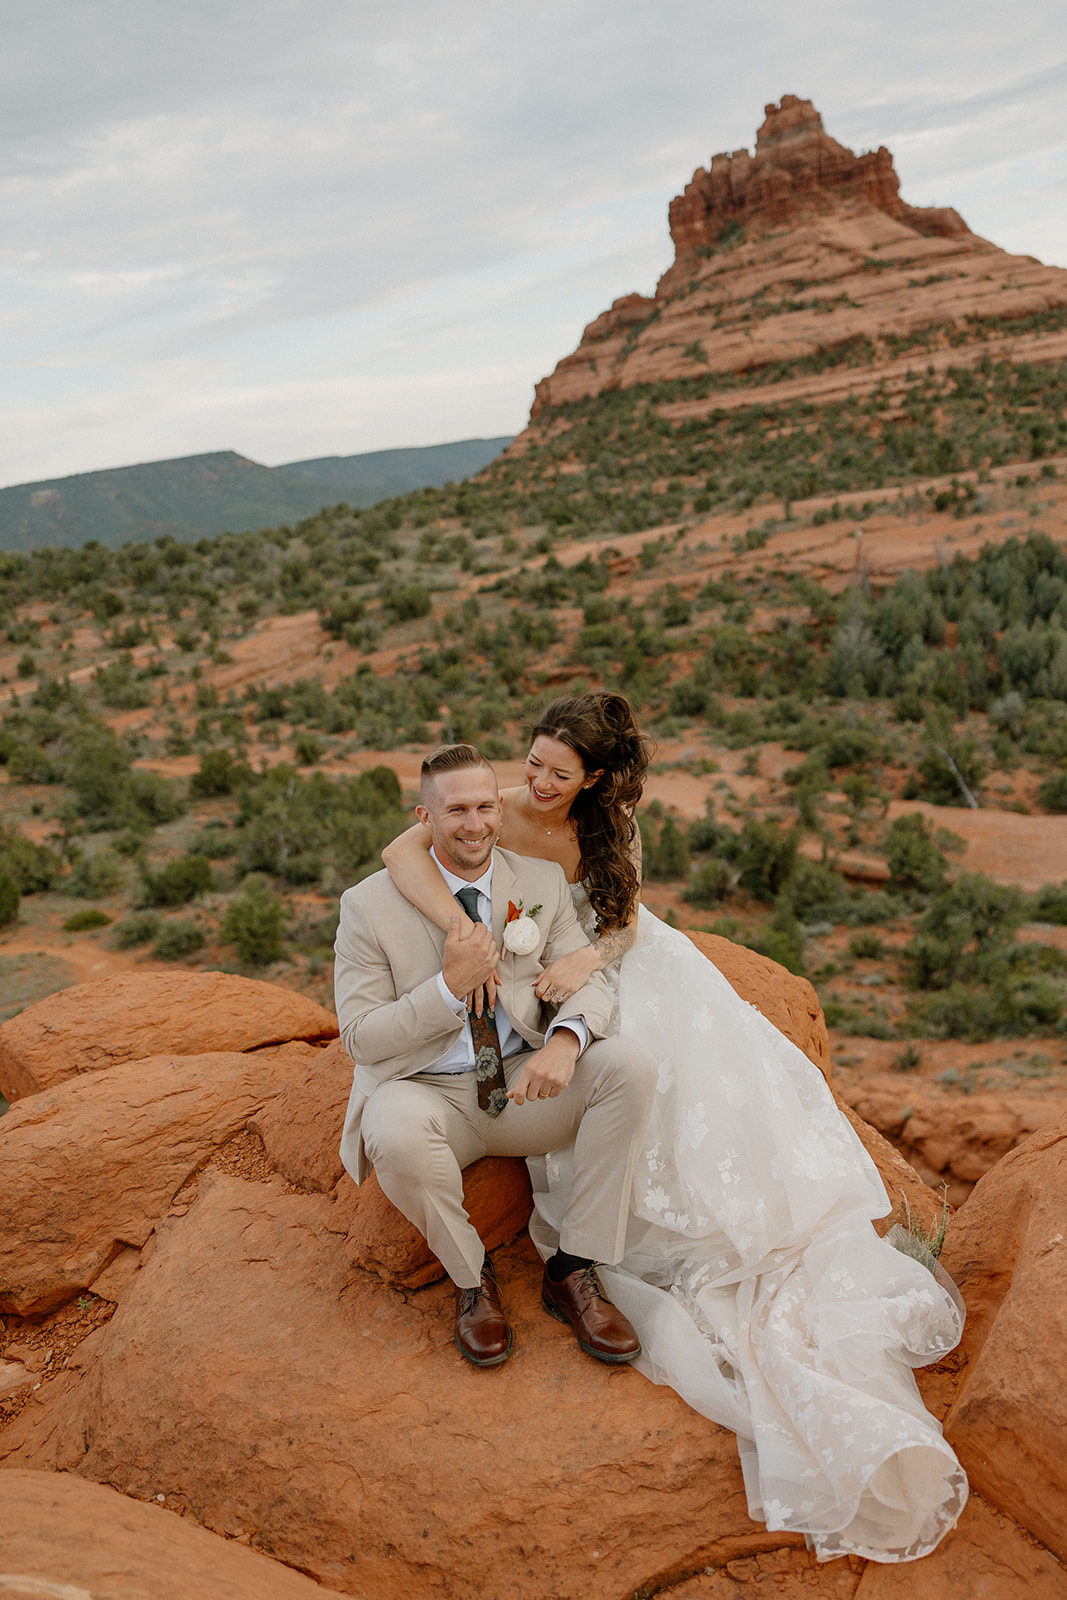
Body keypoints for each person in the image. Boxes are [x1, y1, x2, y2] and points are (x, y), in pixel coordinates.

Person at [380, 691, 969, 1565]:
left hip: (619, 961)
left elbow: (619, 920)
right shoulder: (495, 810)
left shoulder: (610, 829)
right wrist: (460, 927)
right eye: (532, 762)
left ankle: (665, 1241)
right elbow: (402, 851)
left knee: (690, 1079)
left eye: (556, 772)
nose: (535, 782)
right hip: (530, 965)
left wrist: (586, 956)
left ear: (597, 780)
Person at [334, 741, 658, 1370]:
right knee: (392, 1131)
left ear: (500, 811)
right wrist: (447, 988)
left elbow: (587, 980)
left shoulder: (535, 883)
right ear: (423, 816)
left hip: (521, 1086)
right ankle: (472, 1279)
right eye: (456, 810)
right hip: (428, 1091)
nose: (475, 823)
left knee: (630, 1070)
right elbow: (361, 1038)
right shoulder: (366, 906)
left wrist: (566, 1042)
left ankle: (573, 1269)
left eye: (486, 806)